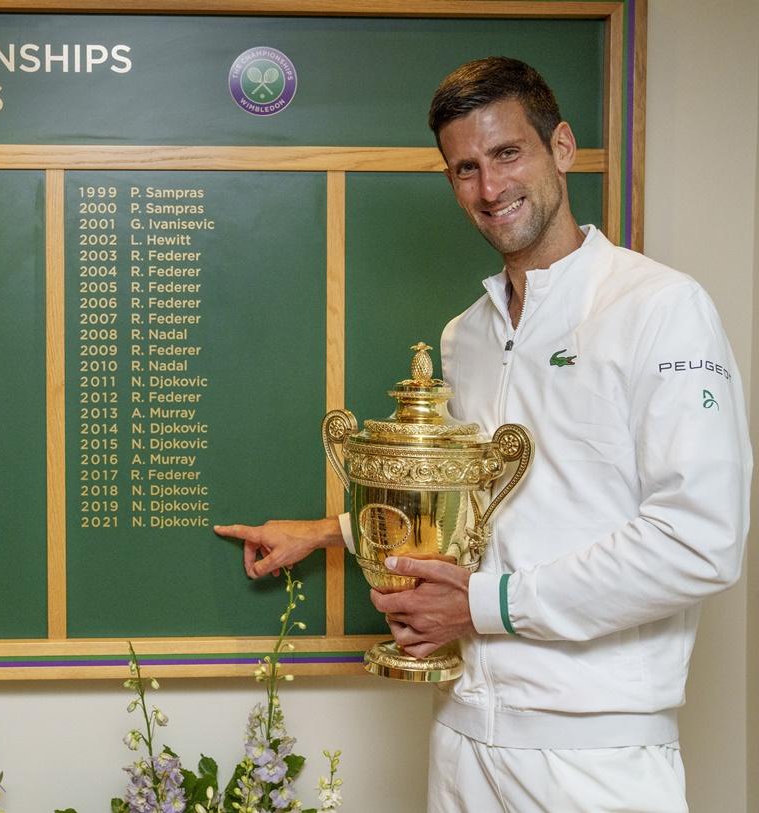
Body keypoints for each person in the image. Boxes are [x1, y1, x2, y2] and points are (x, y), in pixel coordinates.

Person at [215, 56, 751, 812]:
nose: (490, 188)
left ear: (560, 147)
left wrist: (484, 605)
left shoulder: (661, 307)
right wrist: (327, 530)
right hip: (461, 738)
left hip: (594, 755)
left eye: (508, 154)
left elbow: (700, 540)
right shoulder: (464, 336)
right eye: (465, 168)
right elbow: (482, 510)